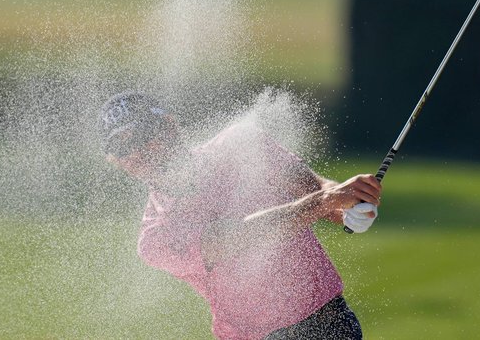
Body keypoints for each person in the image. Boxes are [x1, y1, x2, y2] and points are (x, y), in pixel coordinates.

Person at [101, 91, 382, 340]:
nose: (137, 151)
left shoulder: (240, 144)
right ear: (115, 162)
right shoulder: (156, 236)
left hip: (331, 325)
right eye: (122, 147)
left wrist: (352, 207)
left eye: (144, 134)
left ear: (170, 125)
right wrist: (327, 200)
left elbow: (316, 189)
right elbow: (239, 237)